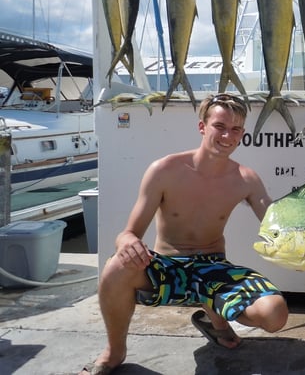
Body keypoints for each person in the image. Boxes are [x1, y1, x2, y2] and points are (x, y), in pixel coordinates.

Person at [80, 93, 289, 375]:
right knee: (116, 266)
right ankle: (115, 351)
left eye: (236, 129)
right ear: (202, 127)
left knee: (274, 315)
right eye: (220, 126)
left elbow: (281, 228)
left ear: (242, 134)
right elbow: (129, 233)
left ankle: (216, 322)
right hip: (167, 268)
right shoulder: (165, 169)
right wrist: (127, 241)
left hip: (213, 268)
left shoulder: (246, 179)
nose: (228, 135)